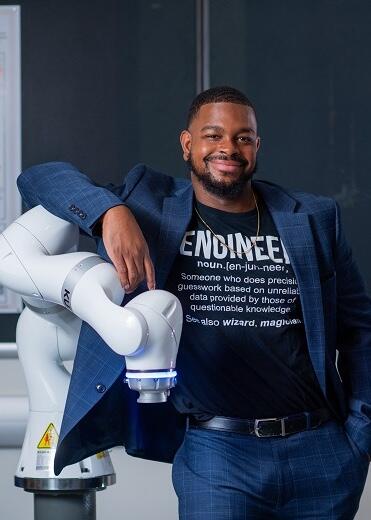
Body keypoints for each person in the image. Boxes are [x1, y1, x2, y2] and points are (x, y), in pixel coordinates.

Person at [18, 86, 371, 519]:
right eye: (214, 135)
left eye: (244, 137)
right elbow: (39, 177)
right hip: (217, 453)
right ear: (188, 145)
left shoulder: (313, 217)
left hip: (319, 449)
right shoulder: (148, 204)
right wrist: (109, 212)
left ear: (257, 146)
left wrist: (359, 435)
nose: (229, 147)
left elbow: (361, 332)